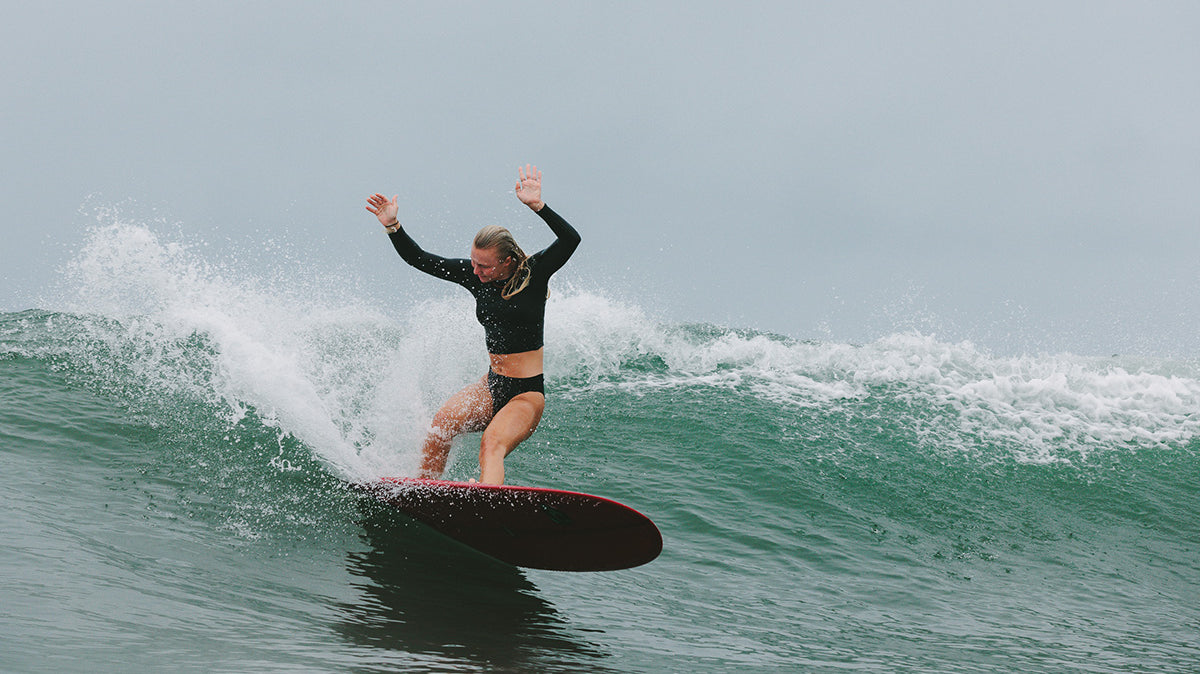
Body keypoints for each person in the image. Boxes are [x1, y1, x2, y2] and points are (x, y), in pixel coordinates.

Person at [365, 165, 580, 485]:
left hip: (526, 395)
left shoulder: (533, 274)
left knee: (490, 445)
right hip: (491, 385)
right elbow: (420, 259)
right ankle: (426, 493)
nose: (476, 271)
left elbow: (570, 239)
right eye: (474, 262)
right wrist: (393, 226)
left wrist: (538, 206)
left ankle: (489, 506)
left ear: (506, 261)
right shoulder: (473, 276)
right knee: (441, 425)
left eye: (484, 266)